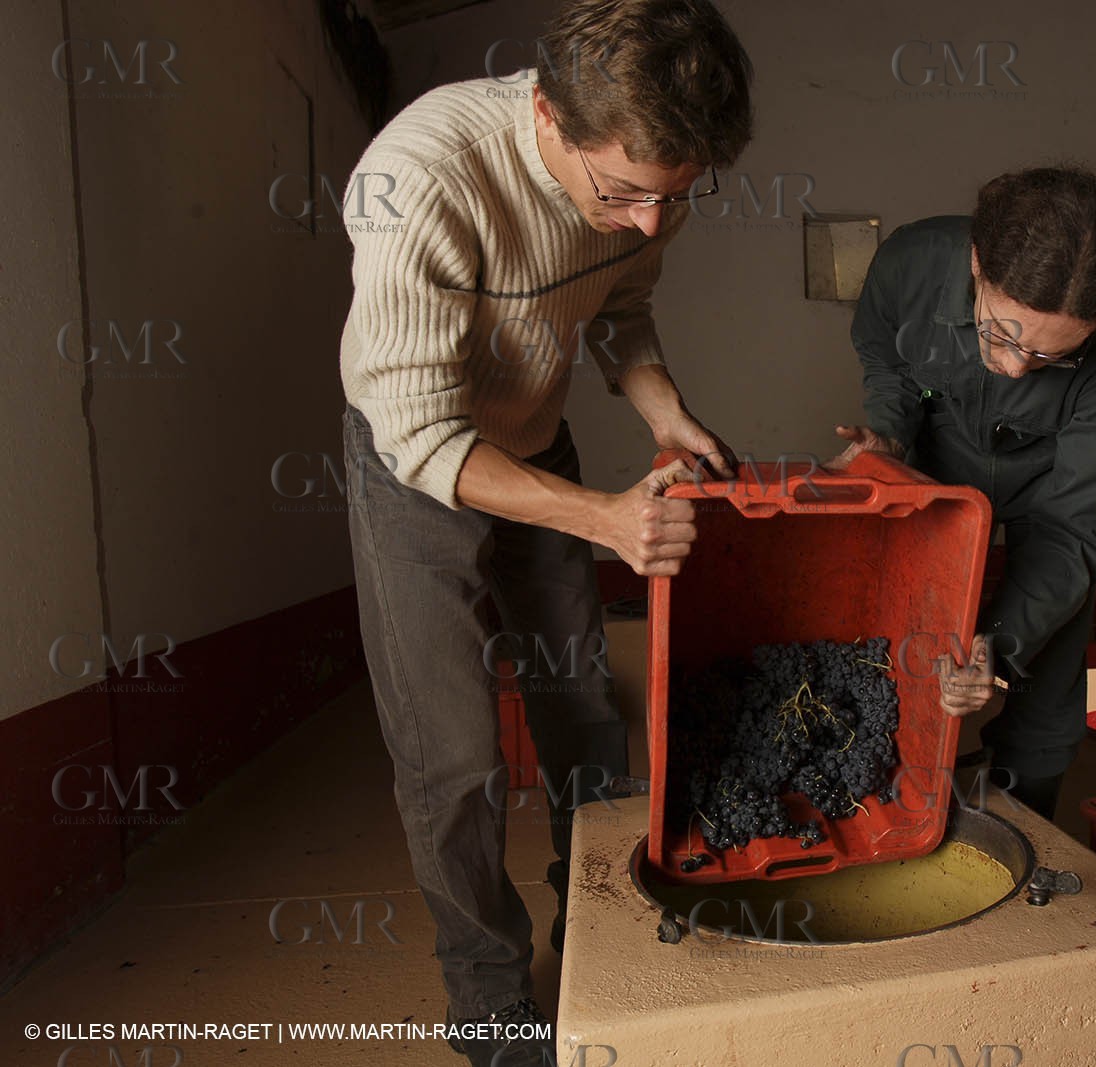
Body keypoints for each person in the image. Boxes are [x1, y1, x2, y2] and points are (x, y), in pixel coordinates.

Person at [337, 2, 751, 1063]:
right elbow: (423, 436)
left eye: (675, 199)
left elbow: (620, 303)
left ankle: (596, 937)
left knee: (581, 718)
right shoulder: (423, 179)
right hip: (420, 468)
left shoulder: (646, 187)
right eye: (622, 195)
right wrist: (606, 519)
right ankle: (484, 990)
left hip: (537, 438)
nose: (649, 222)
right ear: (547, 117)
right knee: (455, 755)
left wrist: (662, 409)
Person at [833, 166, 1096, 822]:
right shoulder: (908, 264)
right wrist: (891, 439)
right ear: (978, 263)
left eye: (1049, 357)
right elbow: (886, 361)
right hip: (937, 464)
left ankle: (1026, 830)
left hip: (1050, 490)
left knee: (1045, 679)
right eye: (1002, 332)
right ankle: (895, 808)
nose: (1013, 365)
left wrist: (998, 645)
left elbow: (1076, 528)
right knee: (910, 644)